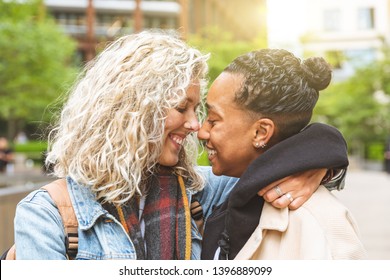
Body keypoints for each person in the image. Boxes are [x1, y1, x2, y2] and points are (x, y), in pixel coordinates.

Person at [13, 31, 345, 260]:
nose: (194, 124)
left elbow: (274, 151)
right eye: (182, 107)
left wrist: (315, 164)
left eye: (199, 111)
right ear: (134, 109)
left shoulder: (203, 191)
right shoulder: (47, 216)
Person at [198, 49, 366, 259]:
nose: (201, 131)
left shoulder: (323, 227)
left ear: (261, 132)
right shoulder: (231, 196)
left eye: (213, 120)